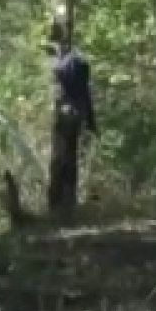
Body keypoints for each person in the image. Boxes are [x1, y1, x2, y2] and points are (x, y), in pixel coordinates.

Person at [45, 32, 97, 217]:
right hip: (79, 111)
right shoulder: (79, 63)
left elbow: (61, 90)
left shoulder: (61, 65)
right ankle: (68, 200)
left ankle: (61, 202)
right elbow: (86, 93)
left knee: (63, 157)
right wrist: (91, 120)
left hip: (67, 111)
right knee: (71, 155)